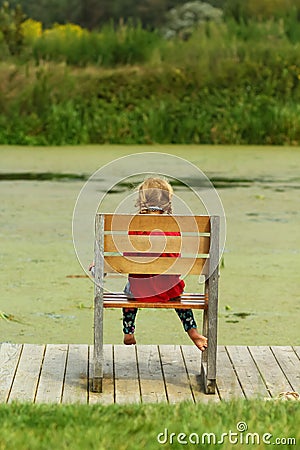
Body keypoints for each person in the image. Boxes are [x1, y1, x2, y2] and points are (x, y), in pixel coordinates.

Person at [122, 177, 208, 352]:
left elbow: (127, 256)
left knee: (128, 292)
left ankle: (128, 331)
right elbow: (175, 255)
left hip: (140, 290)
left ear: (141, 200)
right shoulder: (173, 225)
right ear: (168, 201)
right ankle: (193, 333)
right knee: (180, 297)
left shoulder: (135, 224)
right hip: (169, 289)